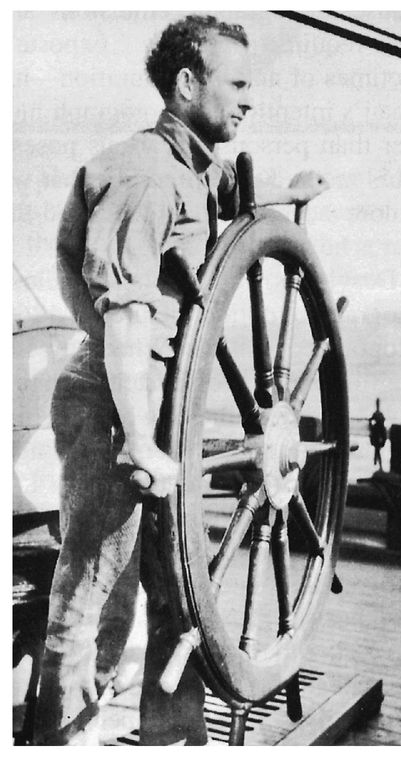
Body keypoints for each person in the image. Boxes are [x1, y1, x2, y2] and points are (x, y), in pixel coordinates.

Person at [33, 14, 253, 746]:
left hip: (155, 401)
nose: (249, 100)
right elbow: (125, 318)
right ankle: (58, 738)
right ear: (187, 83)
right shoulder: (145, 175)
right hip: (116, 396)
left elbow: (209, 227)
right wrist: (139, 442)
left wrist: (282, 207)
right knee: (94, 590)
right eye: (237, 84)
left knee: (174, 585)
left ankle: (171, 736)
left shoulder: (184, 167)